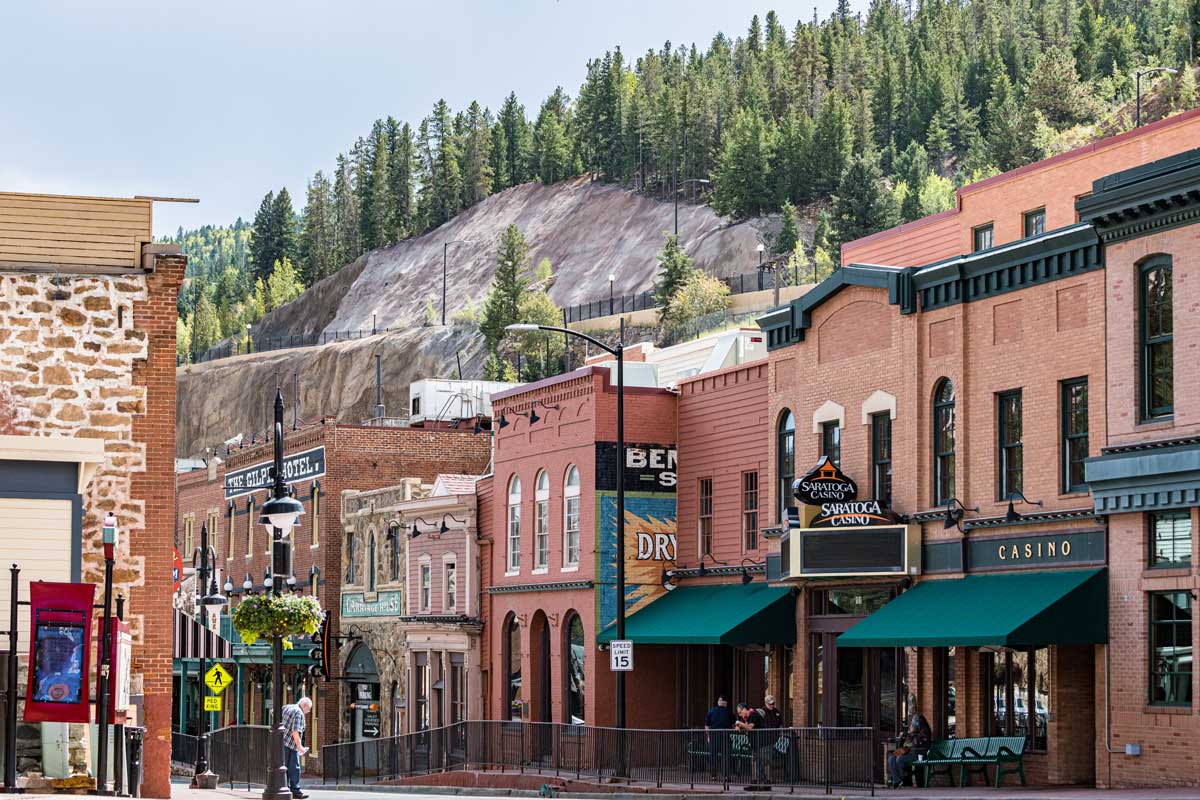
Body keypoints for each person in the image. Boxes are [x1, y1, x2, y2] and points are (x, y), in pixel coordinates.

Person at [887, 713, 931, 789]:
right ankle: (897, 780)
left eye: (915, 722)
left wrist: (912, 733)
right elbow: (907, 743)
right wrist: (904, 736)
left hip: (918, 753)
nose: (913, 724)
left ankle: (903, 779)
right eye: (913, 722)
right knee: (891, 758)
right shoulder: (912, 732)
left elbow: (917, 743)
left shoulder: (925, 731)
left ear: (920, 722)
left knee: (900, 759)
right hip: (907, 751)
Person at [281, 696, 313, 799]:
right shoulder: (299, 713)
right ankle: (295, 791)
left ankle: (285, 788)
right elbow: (295, 732)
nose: (308, 712)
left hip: (281, 742)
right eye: (308, 709)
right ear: (304, 706)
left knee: (283, 768)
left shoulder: (288, 707)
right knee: (295, 768)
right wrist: (300, 748)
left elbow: (274, 712)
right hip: (291, 745)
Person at [735, 702, 768, 785]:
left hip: (761, 743)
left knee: (759, 764)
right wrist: (738, 726)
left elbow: (750, 727)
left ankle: (764, 783)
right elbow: (744, 726)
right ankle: (757, 783)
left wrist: (739, 723)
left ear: (744, 709)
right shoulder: (747, 717)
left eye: (740, 712)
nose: (740, 715)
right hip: (755, 744)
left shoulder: (754, 715)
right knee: (755, 763)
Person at [703, 694, 734, 780]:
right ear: (725, 703)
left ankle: (713, 776)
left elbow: (706, 726)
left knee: (713, 756)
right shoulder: (729, 712)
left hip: (714, 736)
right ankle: (726, 776)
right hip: (725, 736)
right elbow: (734, 724)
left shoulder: (711, 711)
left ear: (718, 702)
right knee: (726, 756)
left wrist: (708, 736)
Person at [756, 695, 784, 785]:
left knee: (768, 759)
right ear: (765, 703)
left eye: (773, 704)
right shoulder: (762, 712)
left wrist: (782, 734)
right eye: (770, 704)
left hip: (774, 739)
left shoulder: (777, 712)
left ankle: (767, 778)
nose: (772, 706)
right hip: (764, 740)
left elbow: (780, 724)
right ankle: (763, 779)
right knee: (763, 760)